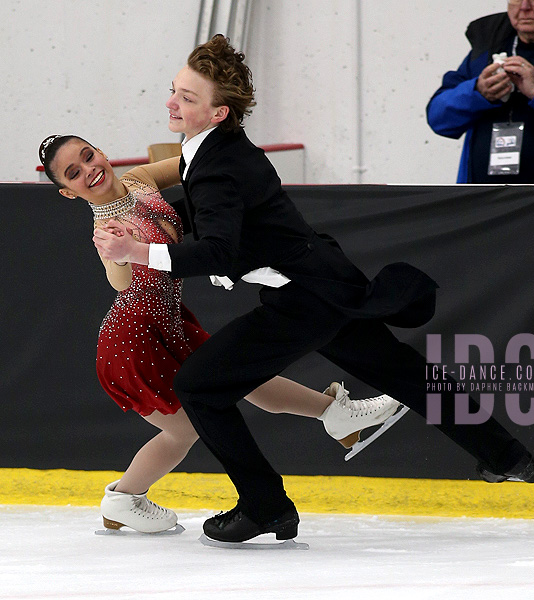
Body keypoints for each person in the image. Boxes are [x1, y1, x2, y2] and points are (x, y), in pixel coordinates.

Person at [94, 35, 534, 545]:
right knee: (401, 373)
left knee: (199, 385)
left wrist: (138, 254)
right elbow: (183, 172)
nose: (171, 102)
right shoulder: (217, 148)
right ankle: (512, 458)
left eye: (187, 98)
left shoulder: (217, 167)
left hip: (302, 297)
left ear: (218, 113)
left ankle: (265, 506)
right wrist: (131, 184)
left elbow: (218, 250)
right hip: (326, 280)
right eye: (174, 90)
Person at [38, 133, 402, 534]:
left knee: (240, 375)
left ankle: (336, 415)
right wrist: (119, 252)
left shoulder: (141, 179)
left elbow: (199, 161)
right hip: (133, 342)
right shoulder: (106, 229)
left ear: (101, 152)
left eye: (89, 157)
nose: (90, 170)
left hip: (171, 322)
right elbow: (120, 283)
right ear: (68, 192)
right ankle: (124, 497)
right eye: (74, 173)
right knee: (187, 429)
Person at [427, 0, 534, 183]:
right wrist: (478, 92)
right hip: (483, 201)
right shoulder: (487, 46)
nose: (524, 7)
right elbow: (438, 118)